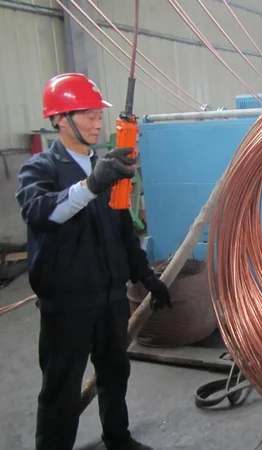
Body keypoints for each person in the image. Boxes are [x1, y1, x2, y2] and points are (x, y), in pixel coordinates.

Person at [15, 73, 172, 450]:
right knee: (61, 389)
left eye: (98, 115)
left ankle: (117, 438)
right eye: (86, 115)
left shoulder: (105, 168)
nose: (97, 122)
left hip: (110, 299)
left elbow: (122, 231)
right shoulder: (40, 169)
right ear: (58, 119)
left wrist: (146, 276)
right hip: (67, 304)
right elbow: (40, 213)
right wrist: (91, 186)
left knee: (115, 374)